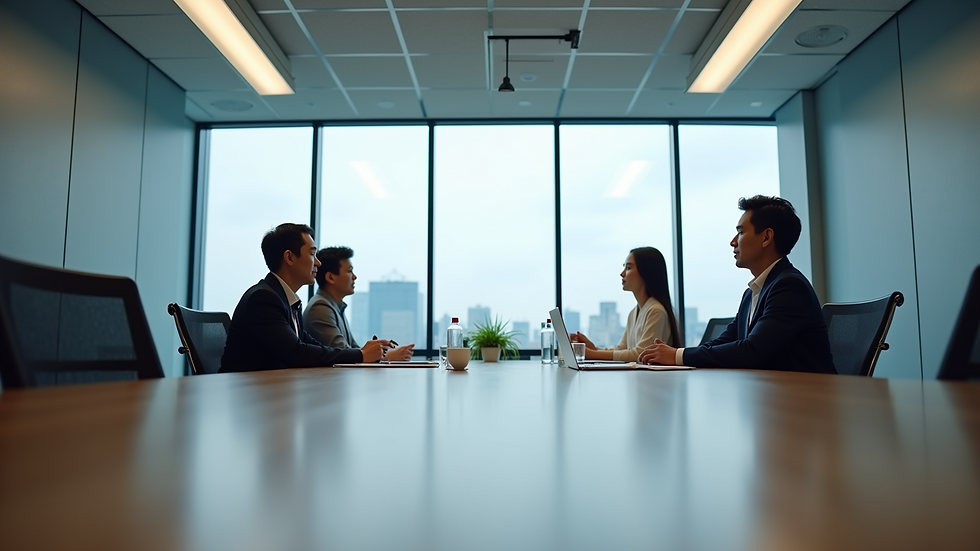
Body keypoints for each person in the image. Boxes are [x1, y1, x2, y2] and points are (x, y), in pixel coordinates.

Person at [638, 196, 836, 374]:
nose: (733, 242)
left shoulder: (790, 286)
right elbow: (726, 342)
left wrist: (676, 356)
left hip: (808, 401)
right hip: (772, 395)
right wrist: (677, 355)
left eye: (740, 232)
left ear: (766, 237)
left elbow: (751, 350)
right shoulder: (752, 293)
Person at [219, 223, 388, 373]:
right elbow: (297, 353)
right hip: (245, 395)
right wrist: (360, 354)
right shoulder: (263, 298)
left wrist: (361, 353)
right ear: (290, 257)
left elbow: (314, 347)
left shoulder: (286, 299)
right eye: (312, 254)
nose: (318, 263)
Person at [303, 246, 414, 361]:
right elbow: (343, 353)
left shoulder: (334, 306)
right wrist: (387, 356)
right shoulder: (320, 308)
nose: (354, 277)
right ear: (331, 277)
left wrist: (378, 351)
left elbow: (354, 349)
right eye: (349, 271)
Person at [570, 247, 679, 362]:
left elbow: (641, 354)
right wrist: (594, 349)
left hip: (654, 380)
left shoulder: (656, 311)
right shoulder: (634, 312)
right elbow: (622, 349)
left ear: (646, 272)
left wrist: (592, 354)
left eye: (628, 268)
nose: (622, 273)